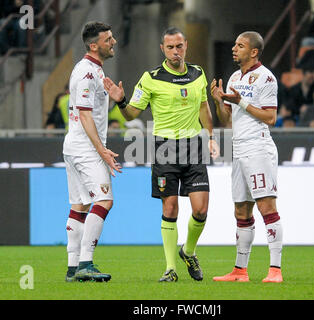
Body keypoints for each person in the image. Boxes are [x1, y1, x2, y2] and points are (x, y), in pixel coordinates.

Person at [104, 27, 220, 282]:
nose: (175, 51)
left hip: (193, 148)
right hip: (164, 149)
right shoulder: (151, 77)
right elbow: (132, 113)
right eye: (170, 47)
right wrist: (121, 101)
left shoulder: (198, 73)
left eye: (179, 46)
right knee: (170, 206)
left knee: (200, 210)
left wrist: (211, 137)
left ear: (186, 45)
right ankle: (170, 269)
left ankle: (188, 252)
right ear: (162, 49)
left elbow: (204, 108)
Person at [210, 31, 283, 283]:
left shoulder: (266, 78)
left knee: (266, 207)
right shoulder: (233, 77)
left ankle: (275, 270)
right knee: (241, 209)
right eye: (234, 44)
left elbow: (271, 118)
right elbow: (227, 120)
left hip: (258, 148)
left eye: (240, 46)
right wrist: (220, 101)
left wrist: (241, 103)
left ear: (253, 52)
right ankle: (240, 271)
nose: (234, 48)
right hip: (238, 148)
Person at [63, 21, 122, 282]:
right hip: (86, 148)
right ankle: (86, 262)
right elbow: (85, 114)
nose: (114, 42)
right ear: (93, 45)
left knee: (81, 205)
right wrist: (103, 151)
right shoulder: (87, 72)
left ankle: (73, 267)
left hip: (74, 146)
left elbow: (91, 112)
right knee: (105, 200)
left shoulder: (93, 71)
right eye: (108, 39)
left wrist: (118, 99)